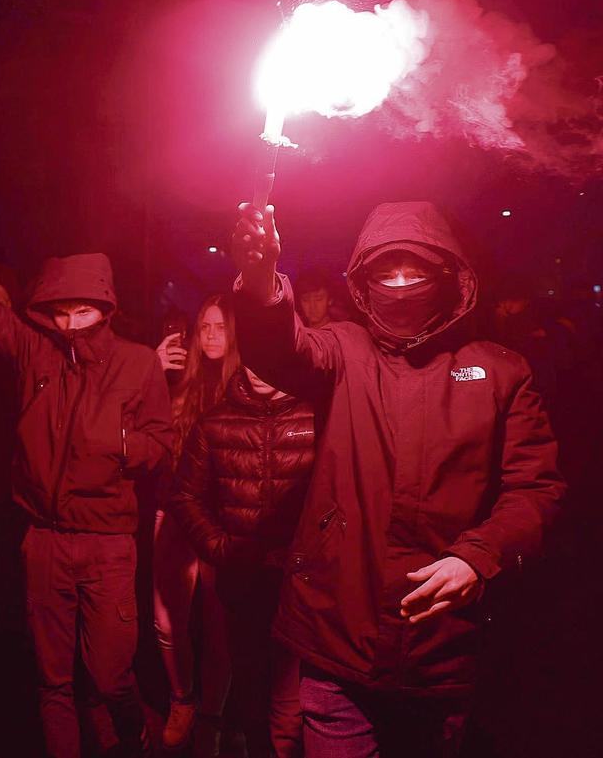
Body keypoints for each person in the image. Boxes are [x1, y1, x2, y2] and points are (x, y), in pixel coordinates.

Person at [230, 200, 565, 757]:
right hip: (337, 633)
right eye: (386, 273)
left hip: (445, 647)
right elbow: (278, 349)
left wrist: (479, 557)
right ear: (364, 283)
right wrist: (262, 278)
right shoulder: (343, 349)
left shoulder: (501, 370)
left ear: (448, 277)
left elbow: (535, 489)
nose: (401, 286)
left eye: (416, 272)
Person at [0, 195, 173, 758]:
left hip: (109, 541)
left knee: (108, 674)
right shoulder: (36, 353)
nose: (70, 322)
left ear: (104, 309)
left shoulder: (137, 363)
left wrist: (121, 445)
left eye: (82, 311)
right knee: (53, 681)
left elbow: (162, 443)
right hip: (43, 540)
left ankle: (132, 729)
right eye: (61, 311)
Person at [171, 365, 316, 758]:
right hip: (244, 582)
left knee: (290, 697)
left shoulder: (317, 416)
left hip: (301, 583)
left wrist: (315, 552)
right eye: (251, 357)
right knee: (251, 690)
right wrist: (222, 548)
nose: (258, 369)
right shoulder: (217, 422)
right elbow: (185, 496)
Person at [151, 295, 239, 753]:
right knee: (167, 622)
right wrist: (151, 370)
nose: (209, 335)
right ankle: (182, 697)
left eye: (220, 327)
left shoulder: (246, 384)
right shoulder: (177, 383)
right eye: (204, 326)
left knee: (219, 623)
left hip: (223, 518)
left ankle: (211, 715)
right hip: (175, 512)